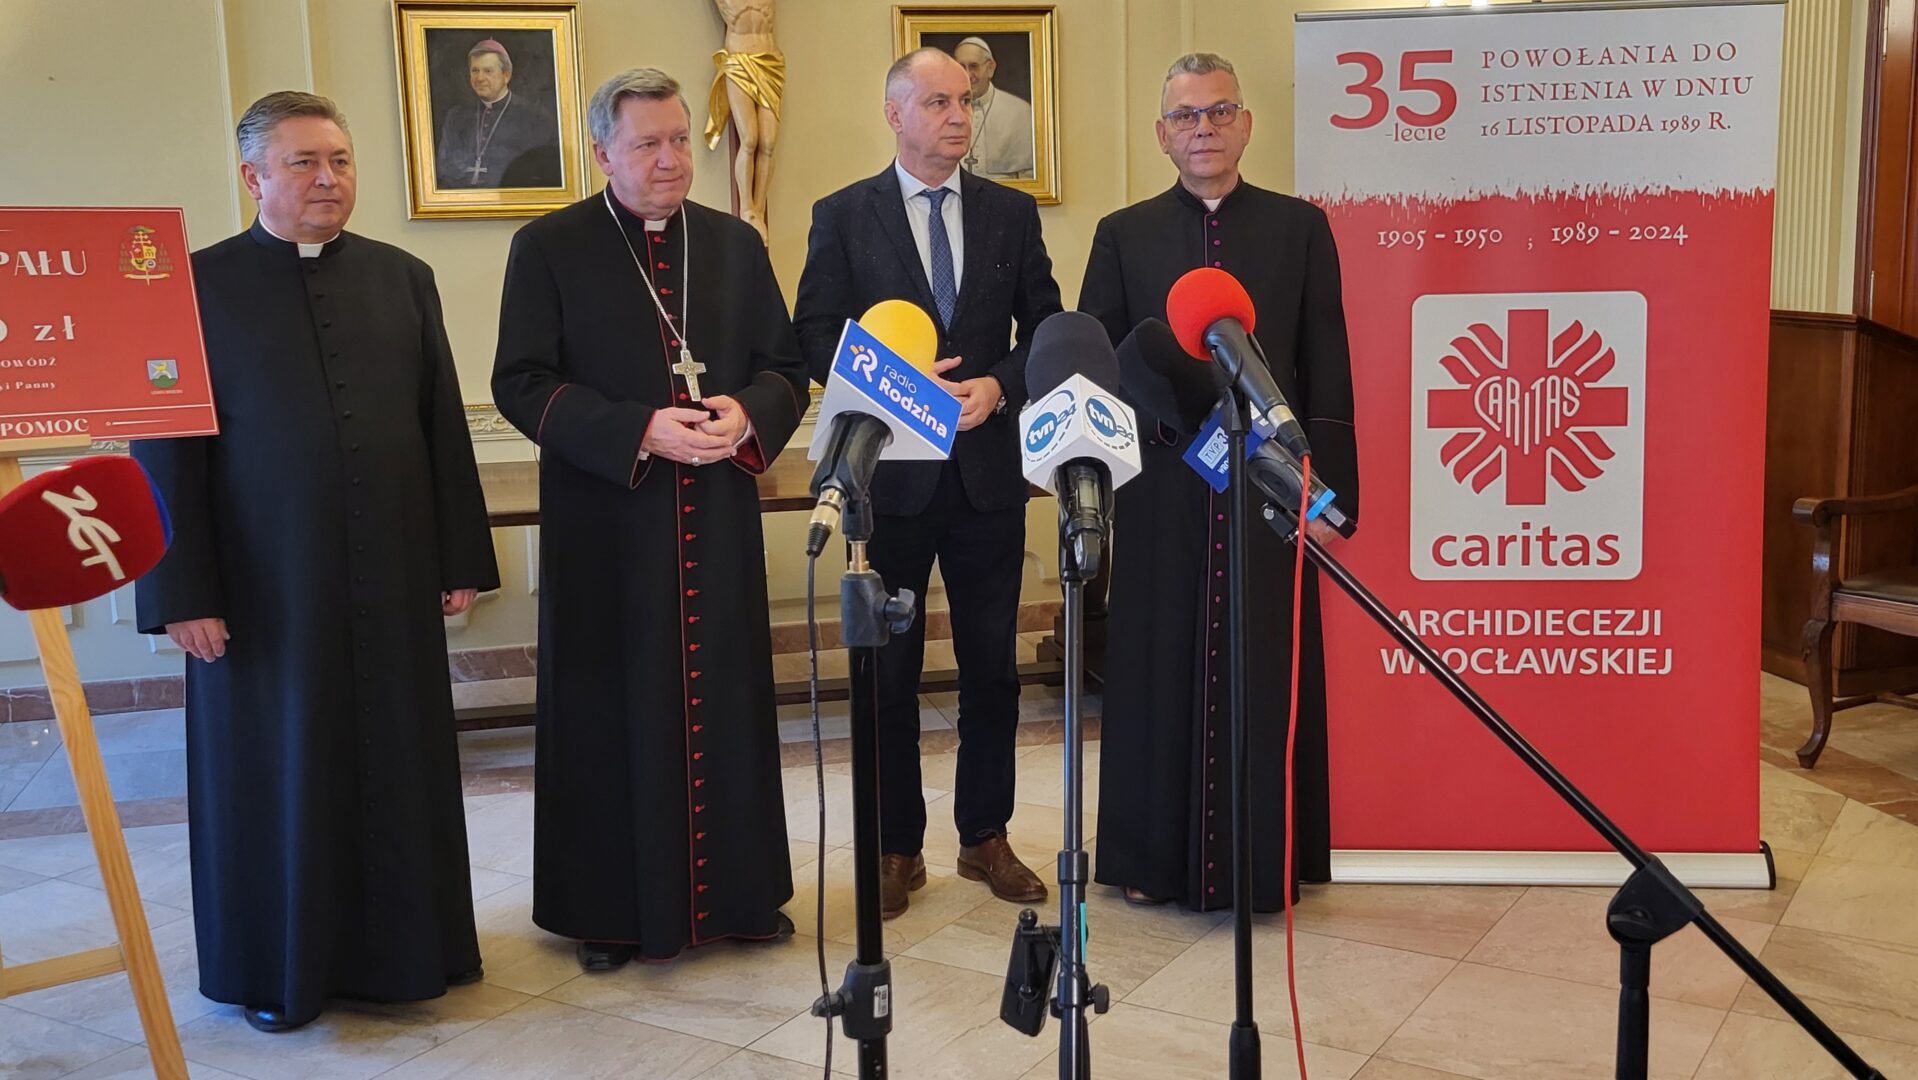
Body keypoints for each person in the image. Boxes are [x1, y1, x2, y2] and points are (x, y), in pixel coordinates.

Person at [133, 91, 499, 1033]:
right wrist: (183, 591)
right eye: (303, 162)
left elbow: (440, 424)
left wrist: (459, 554)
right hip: (262, 591)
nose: (328, 178)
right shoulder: (190, 287)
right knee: (278, 773)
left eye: (339, 160)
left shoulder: (403, 276)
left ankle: (415, 956)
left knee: (398, 761)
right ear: (252, 176)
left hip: (393, 572)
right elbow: (165, 452)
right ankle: (276, 972)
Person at [492, 67, 809, 972]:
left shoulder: (734, 244)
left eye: (678, 141)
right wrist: (639, 429)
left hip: (717, 519)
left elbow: (786, 368)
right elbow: (521, 382)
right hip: (609, 523)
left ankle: (741, 898)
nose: (670, 159)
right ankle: (611, 912)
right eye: (647, 144)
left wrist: (746, 413)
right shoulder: (548, 247)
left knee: (726, 702)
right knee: (611, 710)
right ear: (603, 153)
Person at [1077, 53, 1360, 911]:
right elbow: (1098, 364)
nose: (1203, 128)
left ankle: (1265, 863)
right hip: (1162, 486)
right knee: (1156, 667)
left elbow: (1326, 363)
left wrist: (1330, 495)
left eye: (1219, 112)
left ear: (1246, 125)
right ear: (1162, 135)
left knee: (1262, 667)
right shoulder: (1122, 234)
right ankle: (1150, 861)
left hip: (1268, 487)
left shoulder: (1300, 228)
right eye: (1186, 116)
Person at [793, 48, 1062, 919]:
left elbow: (1046, 327)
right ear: (894, 113)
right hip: (890, 483)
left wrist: (999, 386)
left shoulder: (1010, 214)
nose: (958, 116)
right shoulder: (843, 215)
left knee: (992, 670)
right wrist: (895, 385)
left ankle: (985, 835)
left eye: (965, 103)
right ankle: (895, 848)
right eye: (939, 101)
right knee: (888, 677)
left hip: (986, 479)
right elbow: (814, 335)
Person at [435, 38, 562, 189]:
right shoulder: (456, 117)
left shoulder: (536, 119)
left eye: (488, 71)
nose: (480, 78)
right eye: (475, 70)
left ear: (506, 75)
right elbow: (443, 170)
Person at [952, 36, 1034, 180]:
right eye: (961, 67)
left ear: (990, 68)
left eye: (974, 66)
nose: (967, 75)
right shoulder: (942, 111)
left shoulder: (1020, 112)